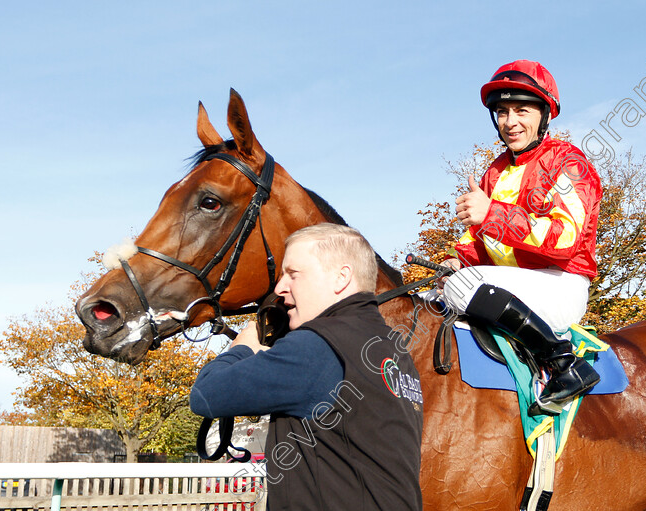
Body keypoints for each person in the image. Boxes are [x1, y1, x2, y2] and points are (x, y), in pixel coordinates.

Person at [190, 223, 423, 511]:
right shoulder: (394, 351)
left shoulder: (316, 346)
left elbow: (205, 395)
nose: (280, 289)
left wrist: (242, 348)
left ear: (341, 277)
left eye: (293, 275)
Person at [439, 60, 602, 413]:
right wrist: (458, 261)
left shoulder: (569, 162)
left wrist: (491, 214)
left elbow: (565, 240)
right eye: (501, 111)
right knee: (433, 298)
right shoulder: (494, 172)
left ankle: (563, 363)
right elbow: (481, 246)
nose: (510, 121)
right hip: (510, 287)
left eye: (521, 110)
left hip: (560, 284)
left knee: (462, 287)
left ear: (545, 114)